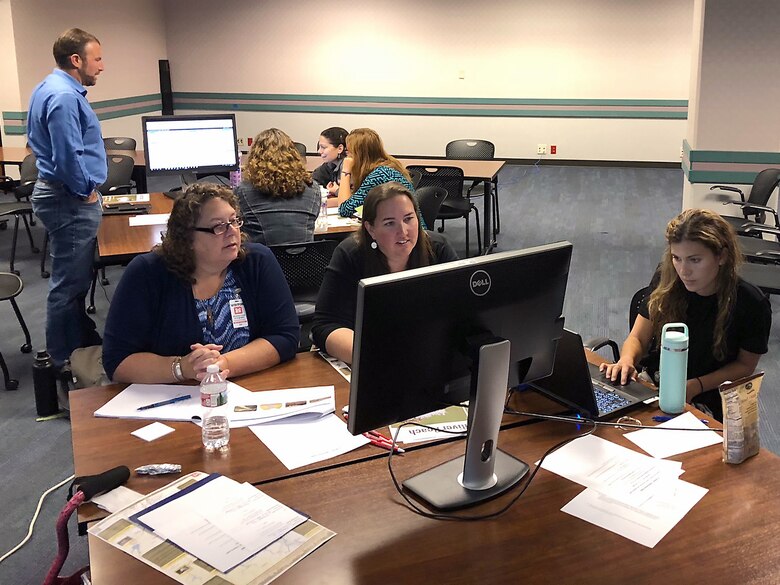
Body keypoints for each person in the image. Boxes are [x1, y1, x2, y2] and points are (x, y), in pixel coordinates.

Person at [103, 184, 300, 383]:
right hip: (172, 399)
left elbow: (285, 336)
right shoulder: (147, 273)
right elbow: (117, 361)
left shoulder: (256, 261)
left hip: (244, 389)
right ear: (187, 237)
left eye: (233, 221)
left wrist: (221, 364)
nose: (232, 232)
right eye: (218, 226)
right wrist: (182, 368)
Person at [600, 208, 771, 421]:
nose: (683, 271)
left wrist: (696, 385)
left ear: (722, 256)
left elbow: (745, 366)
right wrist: (626, 360)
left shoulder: (751, 302)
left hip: (709, 395)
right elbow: (638, 337)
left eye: (695, 260)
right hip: (655, 385)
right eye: (676, 258)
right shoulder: (667, 278)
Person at [28, 28, 107, 368]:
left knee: (75, 279)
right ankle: (62, 360)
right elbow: (67, 156)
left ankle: (80, 343)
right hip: (69, 198)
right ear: (77, 60)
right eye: (98, 58)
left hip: (62, 195)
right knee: (68, 285)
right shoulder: (63, 97)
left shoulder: (49, 87)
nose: (102, 66)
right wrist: (85, 191)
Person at [312, 182, 458, 364]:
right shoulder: (351, 255)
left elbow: (463, 312)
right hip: (371, 359)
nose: (403, 231)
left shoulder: (438, 249)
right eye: (390, 223)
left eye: (408, 219)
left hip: (428, 359)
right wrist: (376, 356)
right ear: (371, 229)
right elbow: (325, 325)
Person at [235, 128, 321, 245]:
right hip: (304, 261)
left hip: (262, 261)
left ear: (254, 157)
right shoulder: (313, 188)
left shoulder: (242, 191)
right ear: (294, 154)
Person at [331, 128, 414, 218]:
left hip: (406, 230)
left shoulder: (378, 175)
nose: (347, 157)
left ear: (358, 154)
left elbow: (344, 209)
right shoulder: (386, 167)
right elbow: (353, 201)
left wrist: (345, 171)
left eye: (348, 152)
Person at [312, 126, 348, 195]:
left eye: (323, 147)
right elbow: (312, 182)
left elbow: (353, 199)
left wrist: (337, 191)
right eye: (319, 147)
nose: (319, 151)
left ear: (340, 149)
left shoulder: (348, 168)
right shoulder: (329, 165)